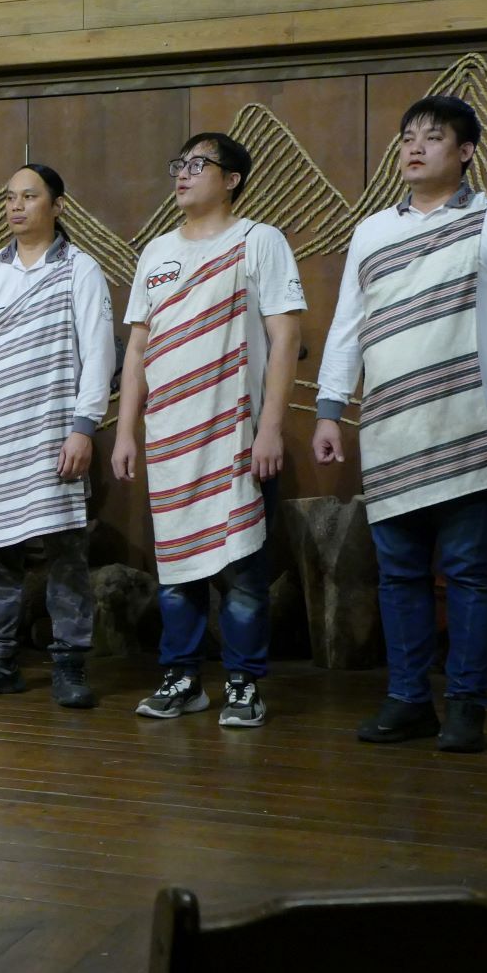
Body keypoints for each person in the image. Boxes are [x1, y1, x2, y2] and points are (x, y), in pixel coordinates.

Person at [313, 95, 487, 754]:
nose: (413, 146)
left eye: (433, 137)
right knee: (398, 576)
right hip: (389, 427)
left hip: (467, 426)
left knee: (471, 571)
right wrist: (330, 407)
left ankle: (467, 704)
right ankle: (408, 699)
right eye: (406, 136)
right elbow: (346, 326)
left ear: (466, 150)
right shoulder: (369, 231)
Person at [113, 132, 303, 728]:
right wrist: (125, 434)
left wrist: (269, 430)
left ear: (232, 179)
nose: (184, 174)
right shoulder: (156, 253)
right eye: (179, 163)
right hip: (170, 437)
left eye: (199, 165)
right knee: (175, 570)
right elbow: (137, 348)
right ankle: (182, 678)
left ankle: (244, 683)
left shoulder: (259, 241)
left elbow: (286, 337)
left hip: (234, 435)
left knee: (244, 572)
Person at [0, 165, 115, 708]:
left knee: (66, 551)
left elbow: (99, 356)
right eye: (10, 197)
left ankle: (69, 664)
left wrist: (84, 427)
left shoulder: (80, 270)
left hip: (54, 433)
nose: (17, 206)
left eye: (30, 196)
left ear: (58, 205)